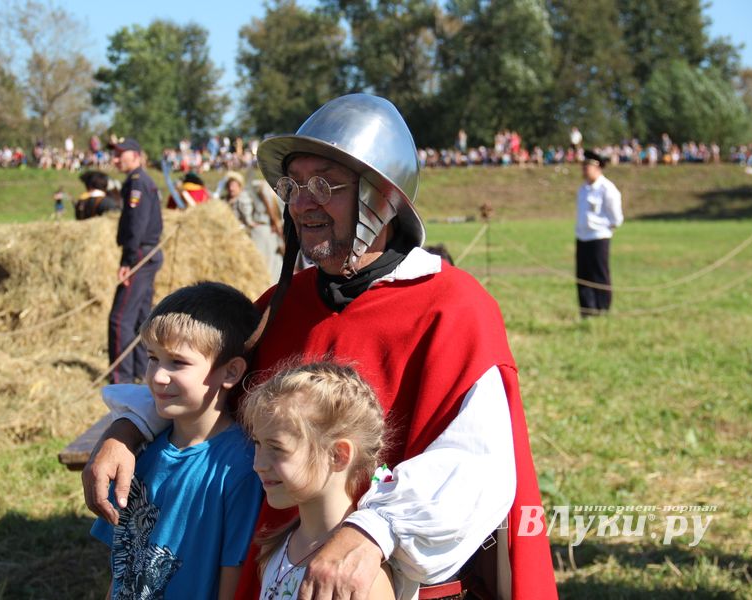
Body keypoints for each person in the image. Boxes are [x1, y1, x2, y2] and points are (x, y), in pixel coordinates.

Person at [84, 94, 557, 600]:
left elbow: (476, 465)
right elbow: (206, 380)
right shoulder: (282, 306)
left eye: (323, 185)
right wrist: (126, 431)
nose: (302, 203)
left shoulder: (453, 308)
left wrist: (372, 530)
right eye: (293, 185)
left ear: (382, 197)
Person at [91, 282, 265, 599]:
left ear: (231, 372)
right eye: (152, 358)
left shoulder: (241, 468)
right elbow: (121, 565)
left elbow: (234, 575)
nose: (158, 376)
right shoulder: (139, 451)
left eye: (178, 362)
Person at [240, 362, 395, 600]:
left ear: (337, 455)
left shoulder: (362, 578)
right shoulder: (275, 549)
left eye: (277, 448)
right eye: (258, 444)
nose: (258, 464)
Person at [108, 137, 164, 383]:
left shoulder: (137, 182)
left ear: (136, 156)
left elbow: (136, 225)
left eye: (120, 154)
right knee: (142, 318)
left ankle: (121, 379)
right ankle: (142, 371)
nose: (115, 160)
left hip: (140, 254)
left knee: (120, 319)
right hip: (147, 253)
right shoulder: (142, 180)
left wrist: (127, 261)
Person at [575, 149, 624, 317]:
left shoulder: (607, 189)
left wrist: (601, 227)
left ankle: (602, 309)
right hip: (582, 237)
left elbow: (616, 218)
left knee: (599, 275)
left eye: (586, 166)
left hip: (599, 237)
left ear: (597, 168)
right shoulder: (583, 189)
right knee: (583, 276)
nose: (583, 169)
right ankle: (587, 310)